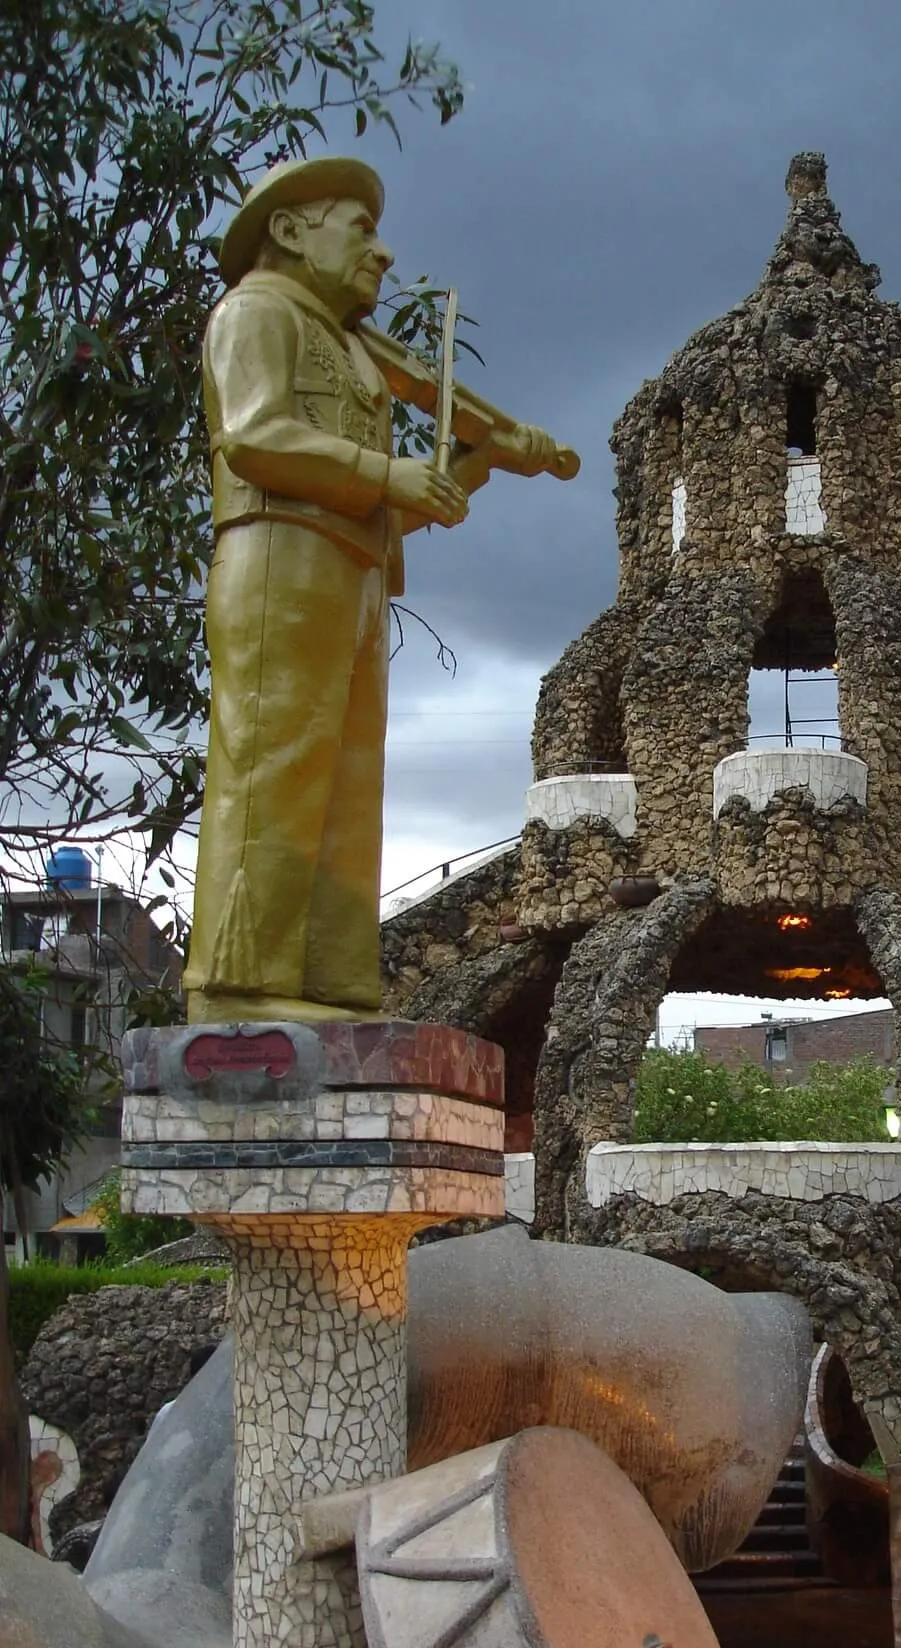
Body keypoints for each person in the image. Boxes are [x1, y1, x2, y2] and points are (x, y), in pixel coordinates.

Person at [185, 157, 572, 1022]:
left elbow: (396, 508)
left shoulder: (355, 352)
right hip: (280, 555)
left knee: (349, 783)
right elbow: (254, 438)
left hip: (352, 567)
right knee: (275, 764)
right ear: (290, 230)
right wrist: (386, 472)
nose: (383, 251)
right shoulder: (256, 311)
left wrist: (479, 463)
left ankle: (331, 980)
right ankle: (241, 986)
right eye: (360, 228)